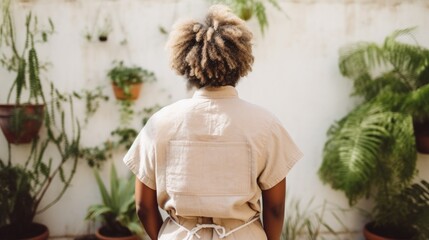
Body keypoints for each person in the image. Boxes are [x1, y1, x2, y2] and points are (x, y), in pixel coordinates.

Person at [123, 4, 303, 240]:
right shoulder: (265, 125)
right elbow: (275, 207)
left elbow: (143, 206)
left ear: (186, 64)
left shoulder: (160, 124)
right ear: (240, 63)